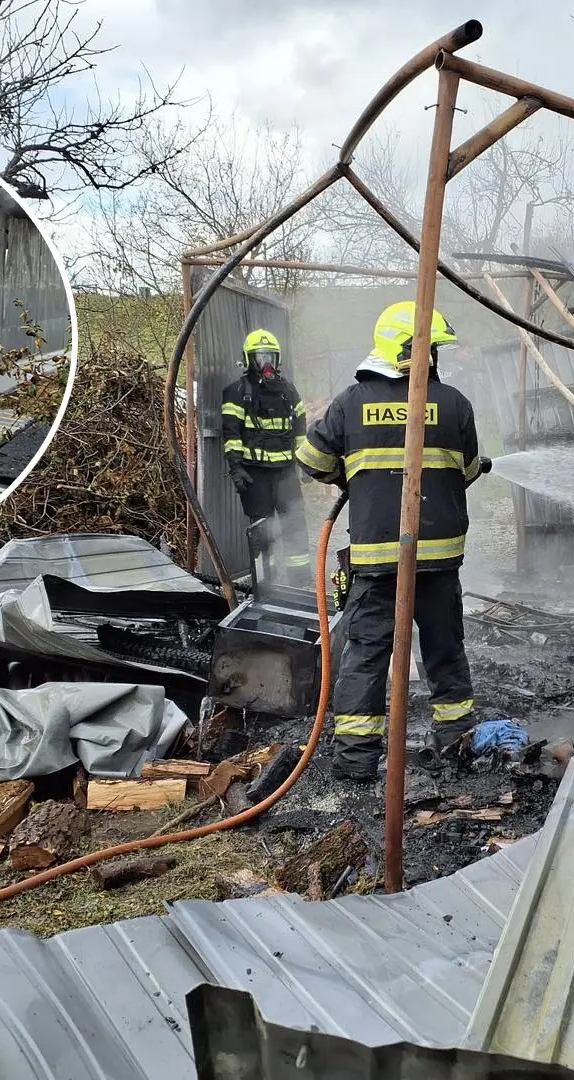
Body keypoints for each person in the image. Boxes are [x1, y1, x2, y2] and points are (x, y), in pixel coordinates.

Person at [294, 301, 492, 781]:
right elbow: (465, 469)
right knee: (445, 651)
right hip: (440, 561)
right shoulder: (454, 403)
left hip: (377, 560)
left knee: (365, 655)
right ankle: (456, 743)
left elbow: (311, 462)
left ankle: (358, 761)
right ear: (414, 350)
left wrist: (354, 473)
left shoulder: (350, 402)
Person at [221, 328, 312, 587]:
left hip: (285, 473)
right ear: (249, 360)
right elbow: (231, 433)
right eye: (261, 357)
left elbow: (300, 432)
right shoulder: (237, 392)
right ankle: (266, 584)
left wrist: (305, 465)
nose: (267, 364)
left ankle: (301, 580)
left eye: (270, 357)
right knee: (262, 530)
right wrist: (236, 467)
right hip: (255, 474)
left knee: (295, 524)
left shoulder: (288, 391)